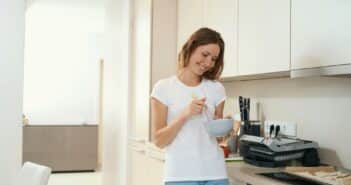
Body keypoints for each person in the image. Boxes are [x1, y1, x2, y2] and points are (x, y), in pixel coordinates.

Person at [151, 27, 229, 185]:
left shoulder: (216, 89)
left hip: (215, 173)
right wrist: (185, 114)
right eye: (205, 54)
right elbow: (159, 140)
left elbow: (219, 138)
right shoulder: (163, 88)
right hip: (180, 175)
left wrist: (225, 127)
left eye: (213, 59)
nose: (208, 63)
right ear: (191, 48)